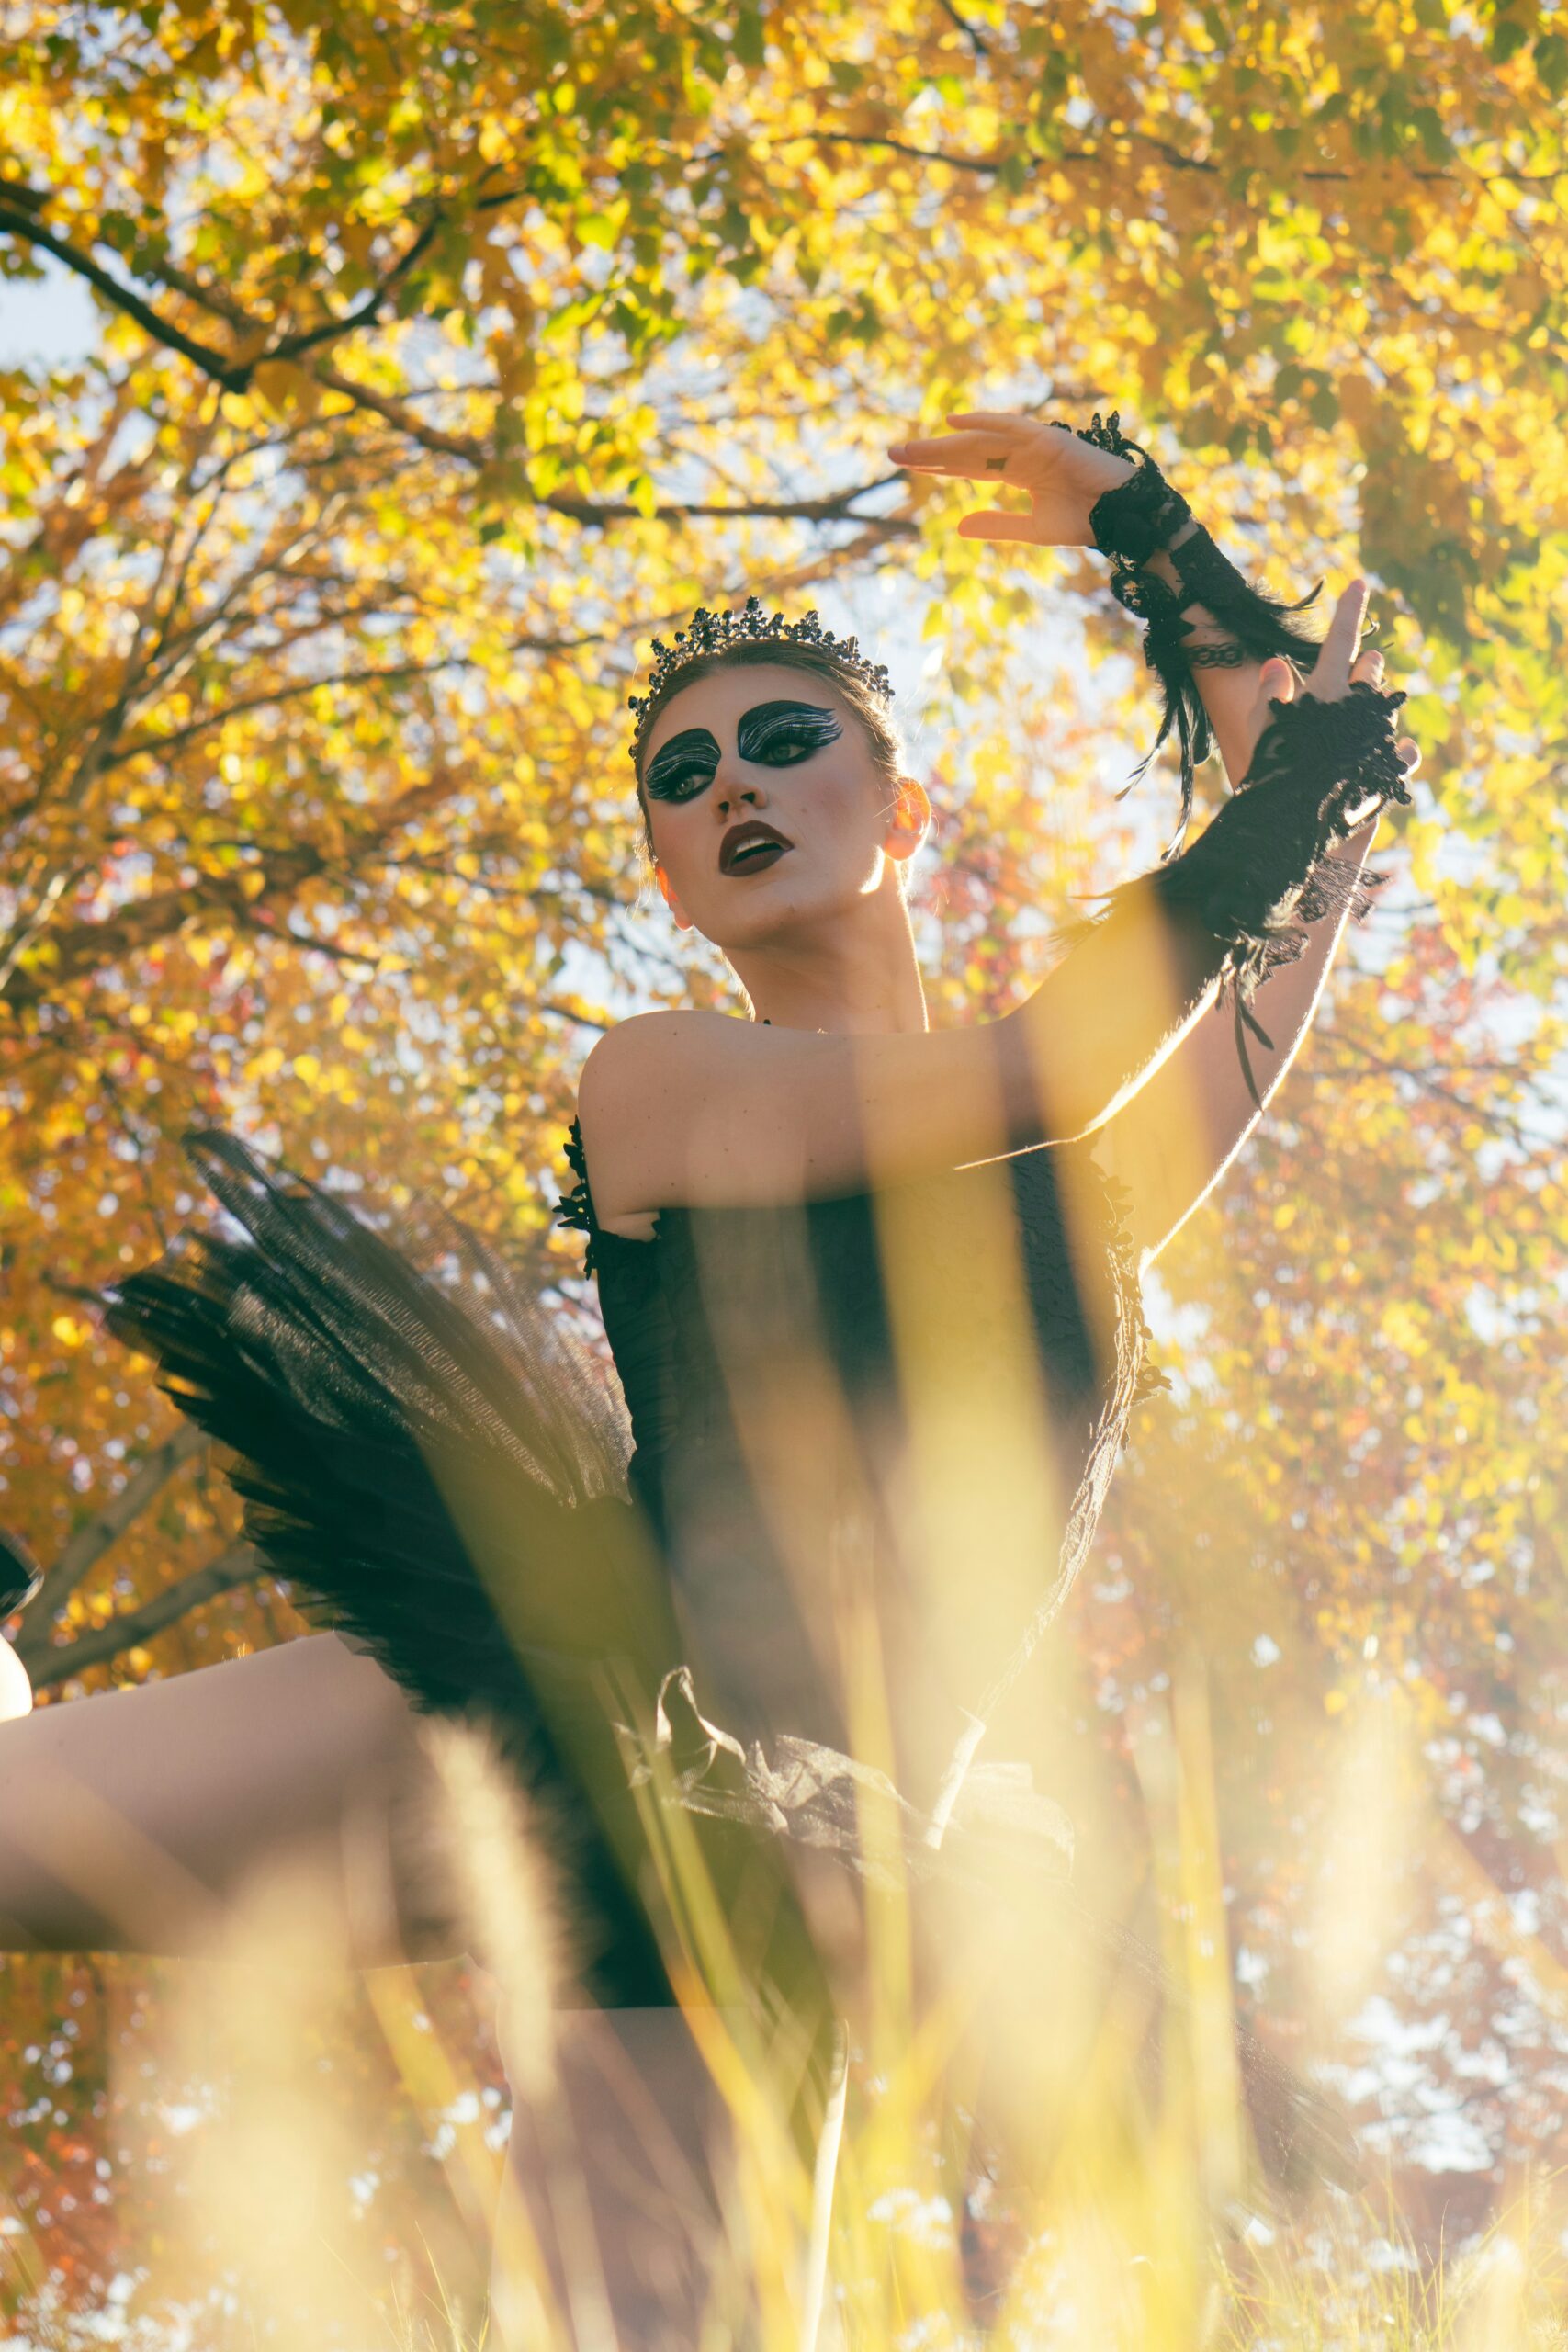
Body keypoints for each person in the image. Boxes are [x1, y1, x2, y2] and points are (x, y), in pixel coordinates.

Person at [0, 409, 1420, 2346]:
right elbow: (1050, 1050)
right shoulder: (660, 1082)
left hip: (798, 1838)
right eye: (685, 778)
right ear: (671, 880)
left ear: (897, 812)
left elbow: (1306, 853)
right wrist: (1296, 786)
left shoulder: (1095, 1188)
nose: (733, 782)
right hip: (583, 1688)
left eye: (782, 740)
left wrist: (1153, 535)